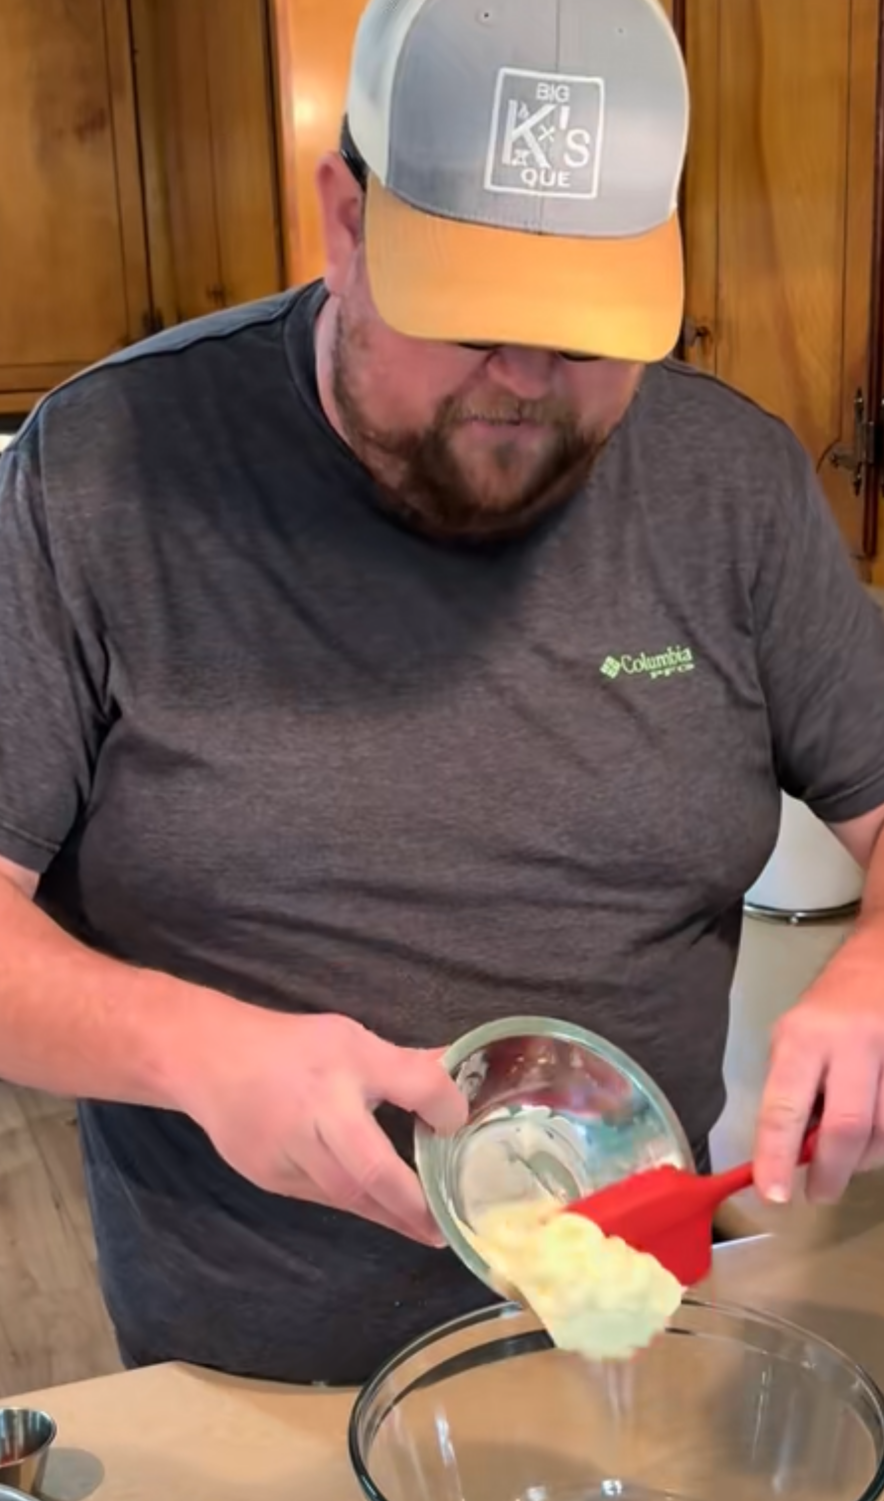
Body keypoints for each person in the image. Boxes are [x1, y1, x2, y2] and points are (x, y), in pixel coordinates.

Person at [2, 0, 884, 1388]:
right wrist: (191, 1049)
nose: (528, 383)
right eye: (473, 317)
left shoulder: (733, 488)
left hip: (622, 1351)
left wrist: (876, 975)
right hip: (248, 1385)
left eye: (586, 331)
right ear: (344, 219)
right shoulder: (102, 473)